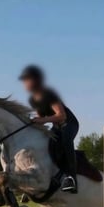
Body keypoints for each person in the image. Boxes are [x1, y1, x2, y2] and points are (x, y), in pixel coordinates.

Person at [19, 64, 79, 193]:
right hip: (57, 127)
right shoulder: (33, 100)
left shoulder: (49, 95)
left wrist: (42, 120)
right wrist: (28, 122)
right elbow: (41, 118)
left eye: (27, 80)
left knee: (66, 142)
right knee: (48, 145)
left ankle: (72, 178)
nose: (24, 83)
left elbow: (61, 115)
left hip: (69, 124)